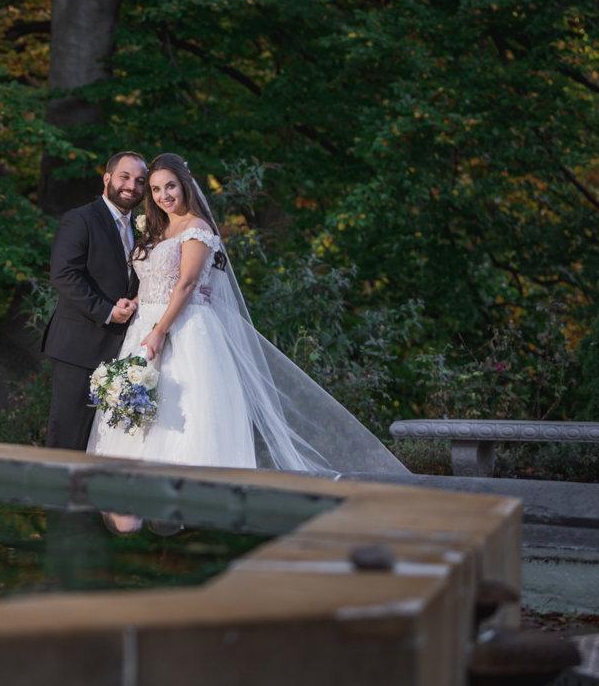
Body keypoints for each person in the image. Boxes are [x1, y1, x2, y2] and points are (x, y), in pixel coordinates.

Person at [87, 153, 406, 476]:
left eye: (170, 186)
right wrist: (139, 306)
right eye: (155, 189)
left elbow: (187, 284)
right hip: (144, 326)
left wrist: (159, 330)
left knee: (182, 409)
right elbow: (154, 278)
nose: (163, 195)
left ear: (185, 186)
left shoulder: (196, 227)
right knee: (139, 407)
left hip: (181, 328)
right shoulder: (158, 228)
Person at [41, 152, 147, 450]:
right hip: (79, 346)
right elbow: (63, 275)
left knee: (101, 441)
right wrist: (107, 311)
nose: (132, 186)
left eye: (140, 181)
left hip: (123, 350)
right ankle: (52, 496)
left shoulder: (141, 228)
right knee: (67, 439)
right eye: (125, 177)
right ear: (107, 178)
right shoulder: (80, 219)